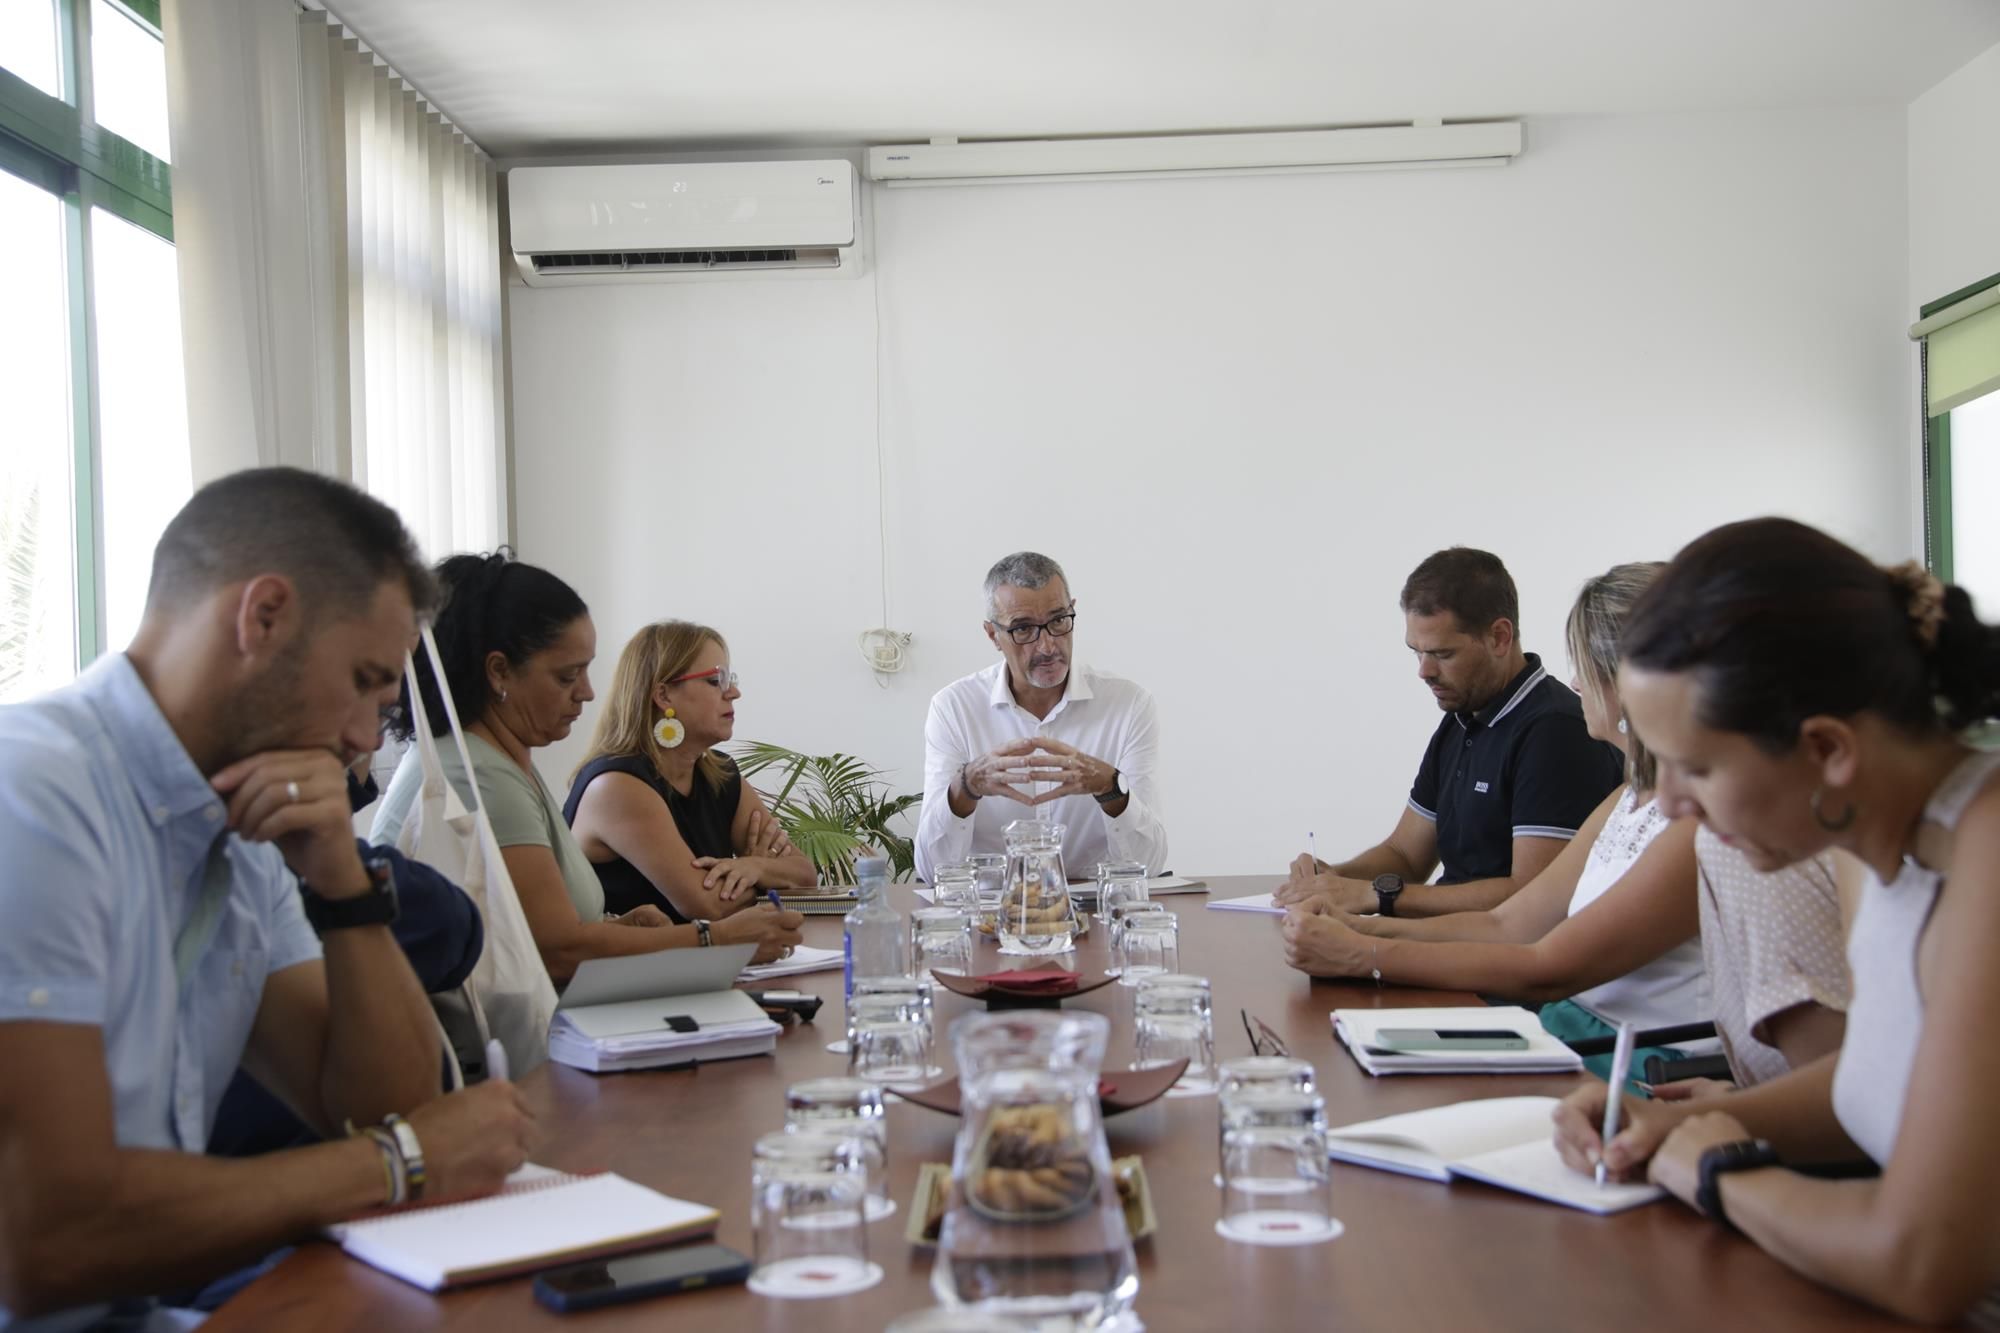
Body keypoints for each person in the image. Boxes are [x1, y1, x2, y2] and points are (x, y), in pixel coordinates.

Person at [0, 468, 534, 1329]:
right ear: (263, 615)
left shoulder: (243, 827)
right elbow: (47, 1243)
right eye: (364, 679)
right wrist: (399, 1162)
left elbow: (384, 1105)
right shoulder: (32, 795)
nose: (367, 736)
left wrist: (345, 887)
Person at [1551, 517, 2000, 1325]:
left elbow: (1924, 1264)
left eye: (1699, 766)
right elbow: (1882, 1082)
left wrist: (1720, 1170)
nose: (1674, 803)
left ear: (1827, 749)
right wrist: (1670, 1125)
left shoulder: (1987, 859)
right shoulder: (1876, 843)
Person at [1284, 563, 1848, 1087]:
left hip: (1638, 1059)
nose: (1574, 684)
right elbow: (1509, 925)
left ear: (1631, 687)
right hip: (1576, 1031)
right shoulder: (1628, 796)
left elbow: (1545, 966)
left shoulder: (1696, 823)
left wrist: (1364, 952)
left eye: (1584, 668)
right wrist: (1353, 928)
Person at [371, 554, 800, 985]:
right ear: (499, 672)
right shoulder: (479, 773)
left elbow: (521, 936)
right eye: (566, 676)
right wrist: (717, 939)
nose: (588, 693)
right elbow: (558, 952)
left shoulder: (498, 757)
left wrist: (614, 930)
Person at [1279, 546, 1624, 918]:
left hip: (1491, 960)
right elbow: (1405, 856)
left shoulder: (1556, 731)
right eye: (1417, 652)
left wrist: (1377, 897)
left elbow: (1530, 896)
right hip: (1447, 944)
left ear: (1499, 637)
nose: (1424, 671)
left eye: (1442, 654)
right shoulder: (1462, 717)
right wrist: (1332, 882)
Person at [914, 552, 1167, 883]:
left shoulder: (1128, 704)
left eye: (1059, 620)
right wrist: (967, 785)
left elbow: (1150, 864)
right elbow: (931, 871)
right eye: (1023, 629)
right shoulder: (954, 708)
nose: (1048, 645)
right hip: (989, 914)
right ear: (993, 635)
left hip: (1093, 911)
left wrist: (1111, 788)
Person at [564, 620, 818, 921]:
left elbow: (804, 874)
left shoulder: (719, 774)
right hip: (626, 965)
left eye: (730, 679)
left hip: (698, 960)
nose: (733, 692)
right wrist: (764, 878)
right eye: (716, 681)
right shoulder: (617, 786)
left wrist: (756, 867)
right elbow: (705, 906)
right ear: (664, 695)